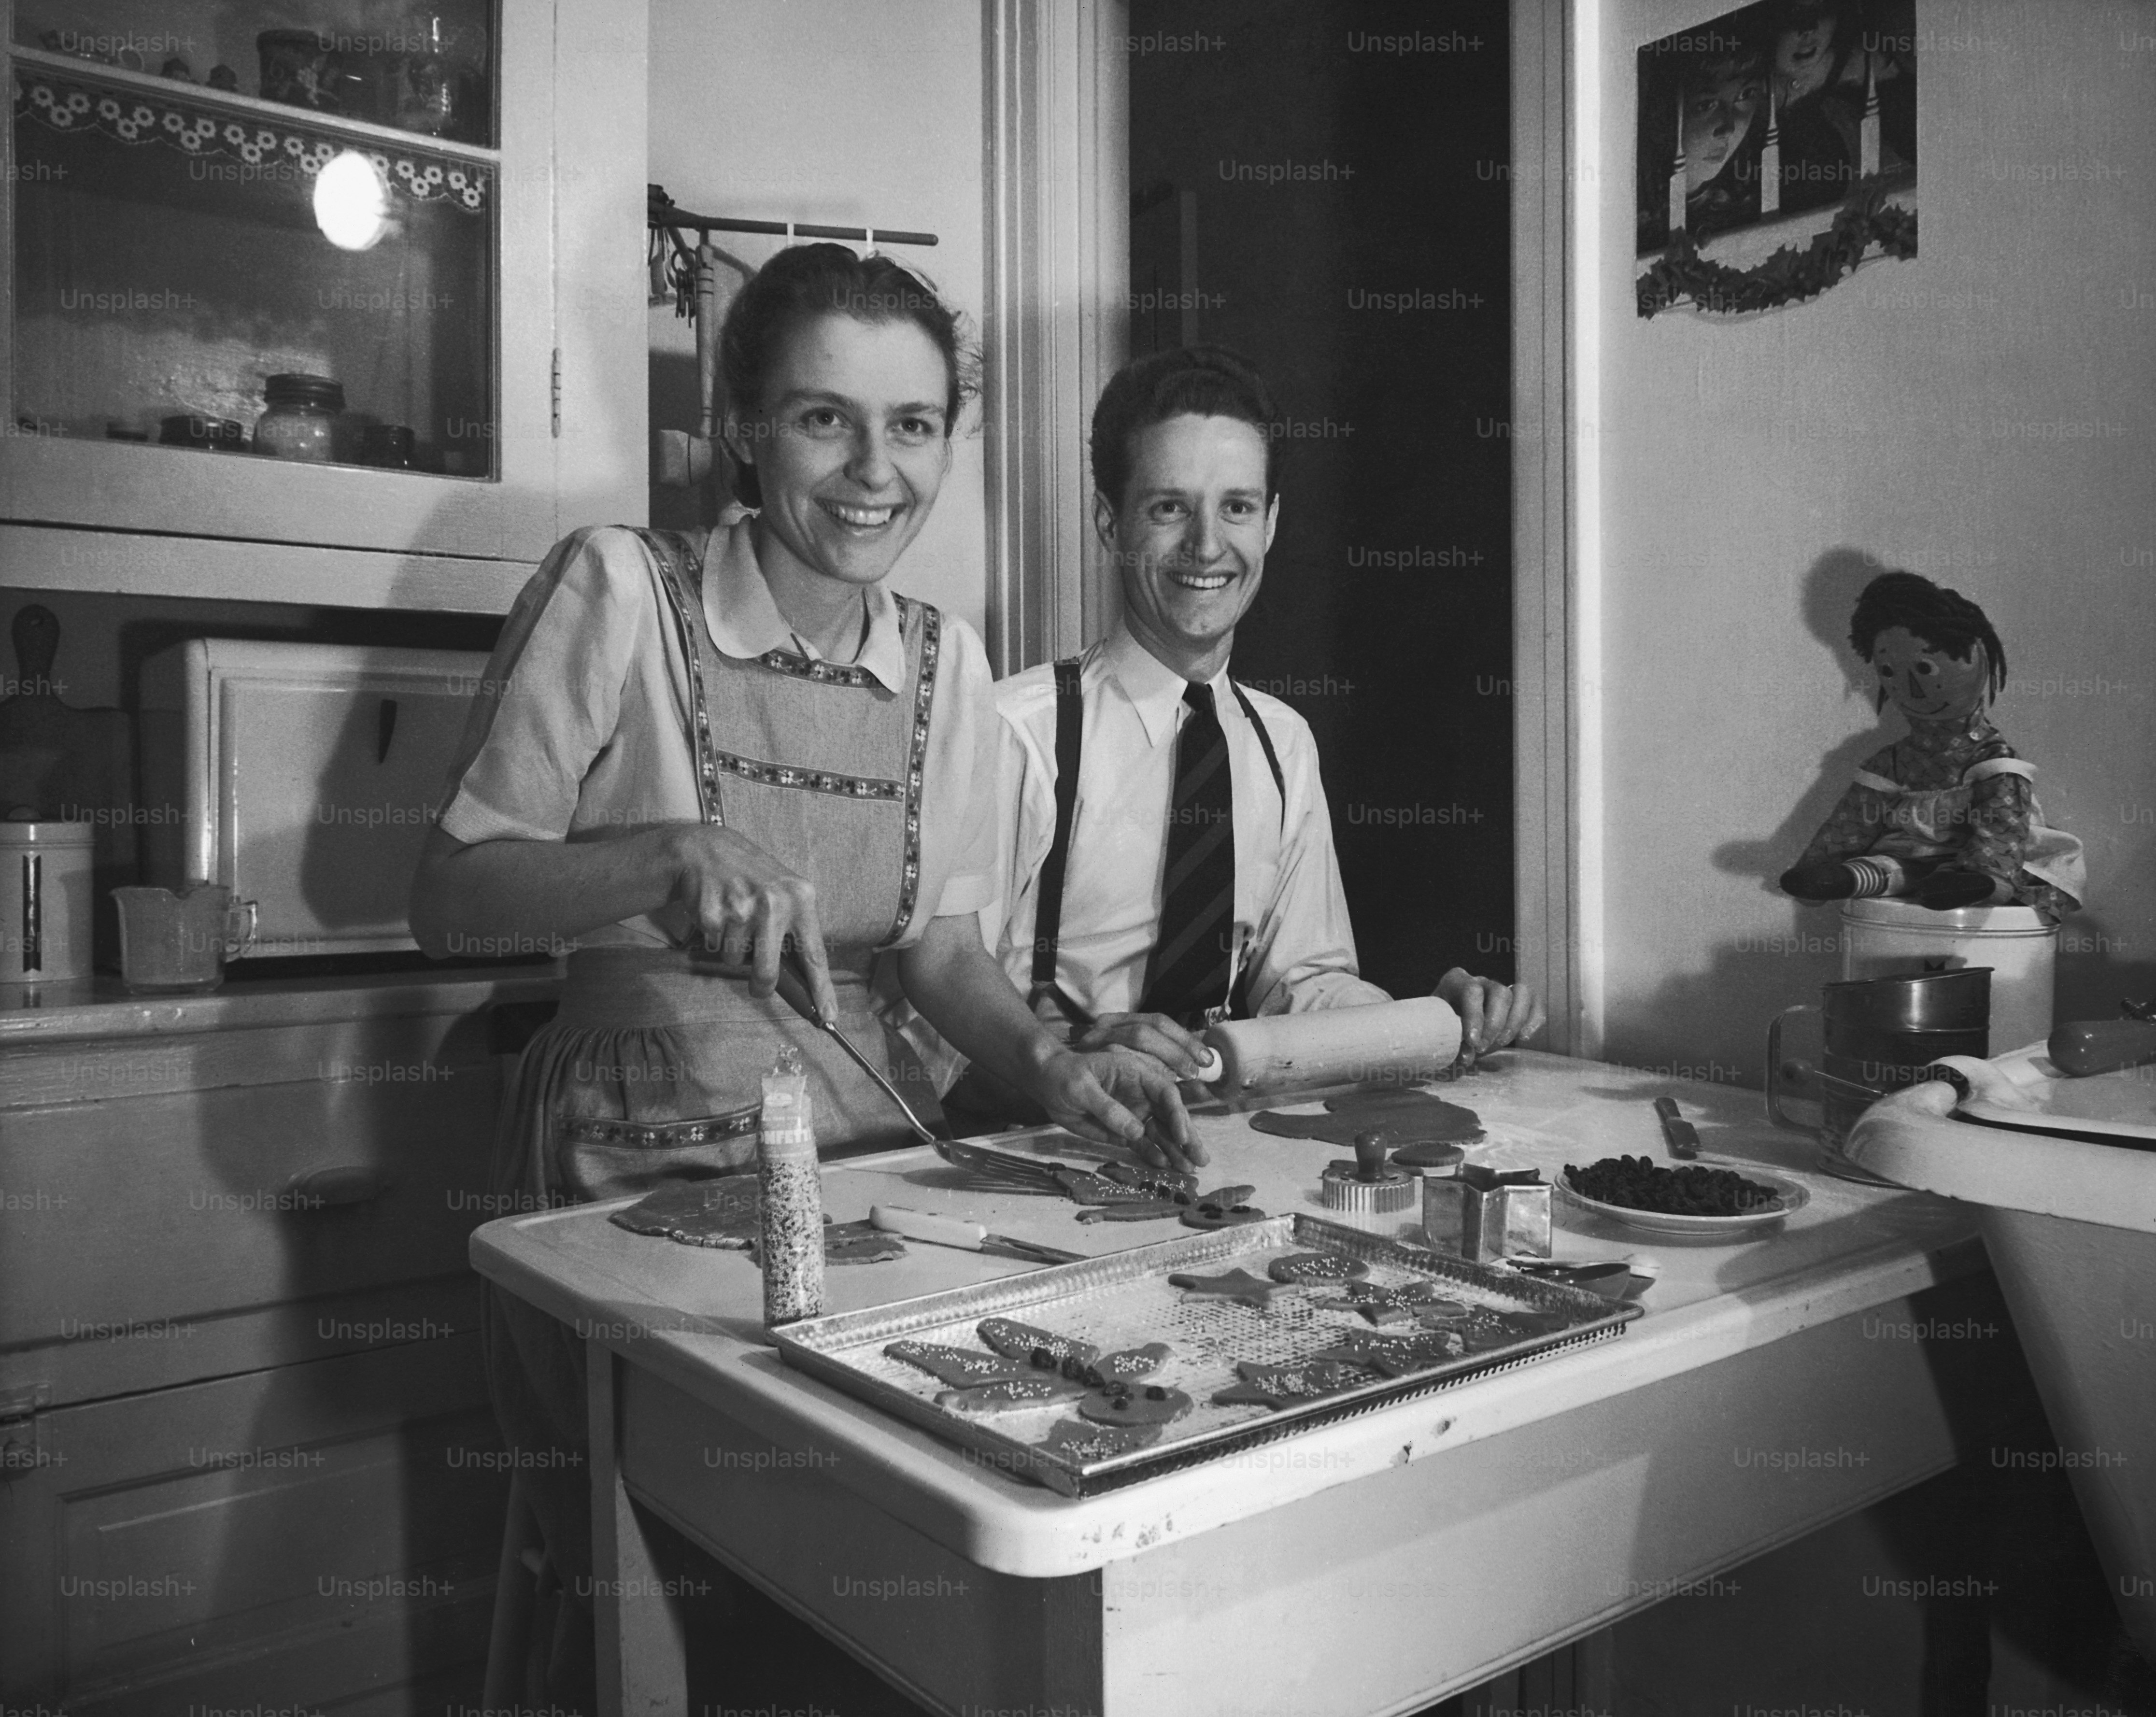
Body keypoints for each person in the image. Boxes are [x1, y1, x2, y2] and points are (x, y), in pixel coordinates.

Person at [407, 244, 1185, 1707]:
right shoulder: (620, 588)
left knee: (895, 1562)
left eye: (913, 425)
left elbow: (940, 953)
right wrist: (659, 857)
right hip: (631, 1161)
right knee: (690, 1588)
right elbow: (446, 896)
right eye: (826, 418)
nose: (874, 470)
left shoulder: (948, 664)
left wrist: (1057, 1067)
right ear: (744, 429)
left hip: (863, 1161)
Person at [936, 345, 1544, 1139]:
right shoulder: (1014, 735)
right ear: (1110, 522)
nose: (1206, 545)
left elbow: (1304, 989)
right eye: (1169, 508)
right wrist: (1059, 1056)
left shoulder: (1282, 745)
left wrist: (1430, 1021)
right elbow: (923, 1029)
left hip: (1220, 1154)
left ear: (1271, 523)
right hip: (1032, 1155)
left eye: (1236, 508)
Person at [1779, 570, 2084, 915]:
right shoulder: (1895, 761)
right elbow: (1855, 818)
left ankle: (1978, 880)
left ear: (1976, 657)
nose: (1912, 687)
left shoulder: (1991, 758)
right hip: (1908, 856)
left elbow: (2001, 821)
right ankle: (1848, 878)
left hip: (1980, 859)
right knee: (1887, 867)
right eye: (1890, 672)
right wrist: (1820, 864)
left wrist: (1991, 871)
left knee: (1968, 869)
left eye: (1926, 668)